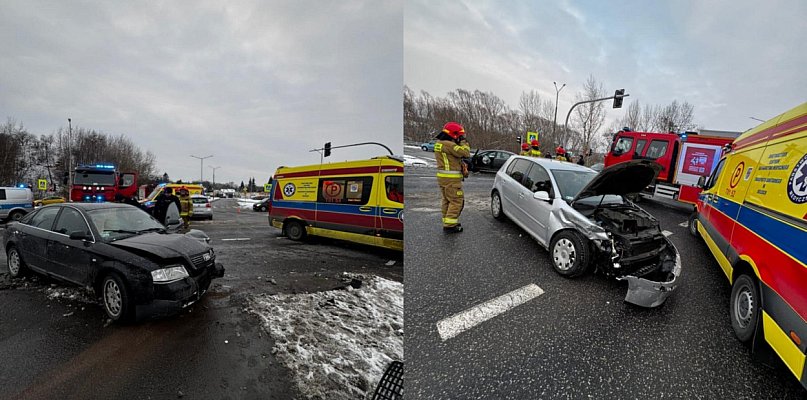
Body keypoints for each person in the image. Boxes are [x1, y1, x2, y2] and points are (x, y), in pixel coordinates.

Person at [434, 122, 470, 233]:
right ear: (454, 135)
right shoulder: (450, 145)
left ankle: (448, 221)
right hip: (452, 179)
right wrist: (464, 143)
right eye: (459, 135)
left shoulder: (439, 143)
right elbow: (465, 153)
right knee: (456, 201)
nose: (460, 137)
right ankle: (450, 225)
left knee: (446, 200)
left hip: (443, 178)